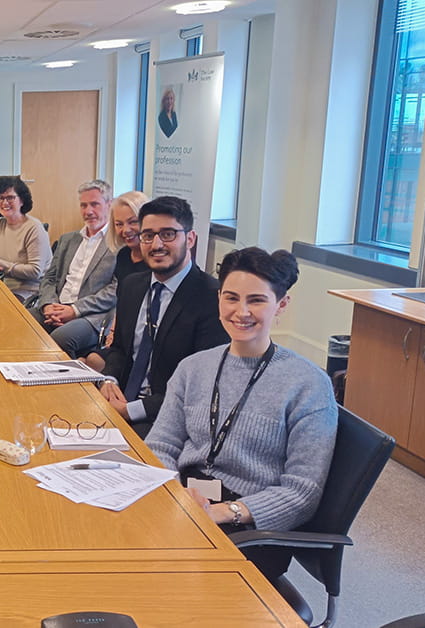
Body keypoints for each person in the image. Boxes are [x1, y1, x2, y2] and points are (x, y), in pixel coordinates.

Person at [146, 247, 337, 579]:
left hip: (251, 528)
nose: (241, 311)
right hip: (186, 499)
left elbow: (302, 492)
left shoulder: (308, 384)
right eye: (231, 298)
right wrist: (176, 493)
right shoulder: (194, 368)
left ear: (281, 305)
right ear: (219, 298)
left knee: (155, 577)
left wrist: (222, 512)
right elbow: (161, 445)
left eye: (257, 301)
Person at [99, 196, 228, 437]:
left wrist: (131, 410)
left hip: (166, 419)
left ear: (190, 239)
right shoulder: (132, 285)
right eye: (148, 235)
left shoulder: (212, 299)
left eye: (168, 234)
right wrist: (109, 381)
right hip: (117, 404)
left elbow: (200, 387)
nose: (156, 244)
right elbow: (118, 349)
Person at [32, 180, 118, 357]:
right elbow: (49, 277)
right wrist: (48, 304)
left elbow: (115, 291)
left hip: (90, 315)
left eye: (95, 204)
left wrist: (74, 310)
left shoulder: (118, 244)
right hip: (55, 307)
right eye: (83, 205)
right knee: (20, 323)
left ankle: (66, 383)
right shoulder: (68, 239)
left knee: (60, 339)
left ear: (109, 205)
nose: (88, 211)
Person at [82, 191, 151, 371]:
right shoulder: (122, 257)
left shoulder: (155, 263)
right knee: (90, 360)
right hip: (123, 333)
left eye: (133, 222)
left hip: (144, 338)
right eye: (119, 224)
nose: (125, 230)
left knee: (92, 363)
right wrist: (114, 330)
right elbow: (123, 301)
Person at [0, 176, 53, 302]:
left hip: (31, 292)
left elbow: (35, 271)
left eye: (10, 197)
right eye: (1, 198)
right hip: (6, 286)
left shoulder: (34, 228)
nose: (4, 203)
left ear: (22, 200)